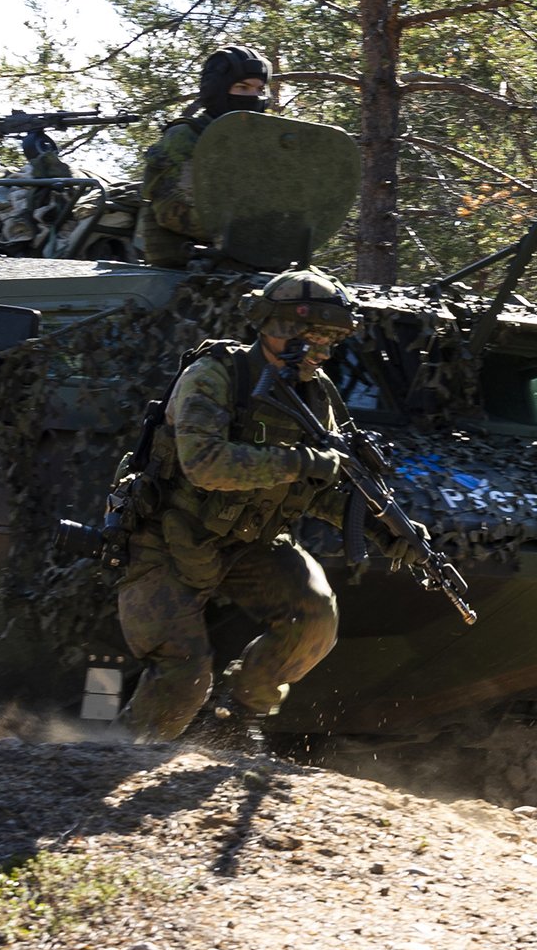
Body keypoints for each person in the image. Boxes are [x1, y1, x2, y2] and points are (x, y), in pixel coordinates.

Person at [116, 267, 396, 742]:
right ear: (279, 328)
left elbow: (319, 486)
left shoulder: (315, 393)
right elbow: (204, 464)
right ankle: (119, 758)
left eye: (332, 341)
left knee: (314, 619)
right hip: (168, 541)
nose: (324, 353)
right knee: (184, 676)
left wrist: (379, 527)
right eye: (316, 338)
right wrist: (300, 462)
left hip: (249, 541)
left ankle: (237, 722)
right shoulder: (213, 377)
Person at [137, 44, 271, 268]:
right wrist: (250, 228)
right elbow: (172, 212)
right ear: (218, 89)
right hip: (184, 267)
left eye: (259, 89)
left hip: (255, 262)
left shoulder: (262, 142)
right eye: (242, 87)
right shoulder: (186, 136)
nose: (253, 97)